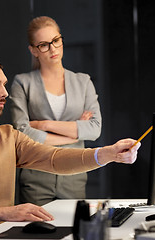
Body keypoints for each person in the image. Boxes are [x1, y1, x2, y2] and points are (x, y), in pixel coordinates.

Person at [0, 55, 140, 240]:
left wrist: (108, 153)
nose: (5, 93)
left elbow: (54, 159)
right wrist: (1, 213)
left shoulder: (7, 135)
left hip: (1, 236)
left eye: (3, 84)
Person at [9, 16, 102, 206]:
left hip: (74, 176)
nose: (52, 49)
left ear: (61, 40)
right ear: (34, 50)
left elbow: (94, 129)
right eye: (43, 45)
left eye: (56, 41)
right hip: (36, 179)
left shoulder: (83, 81)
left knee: (75, 232)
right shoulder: (22, 82)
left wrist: (44, 125)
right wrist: (73, 134)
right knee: (35, 234)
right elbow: (21, 132)